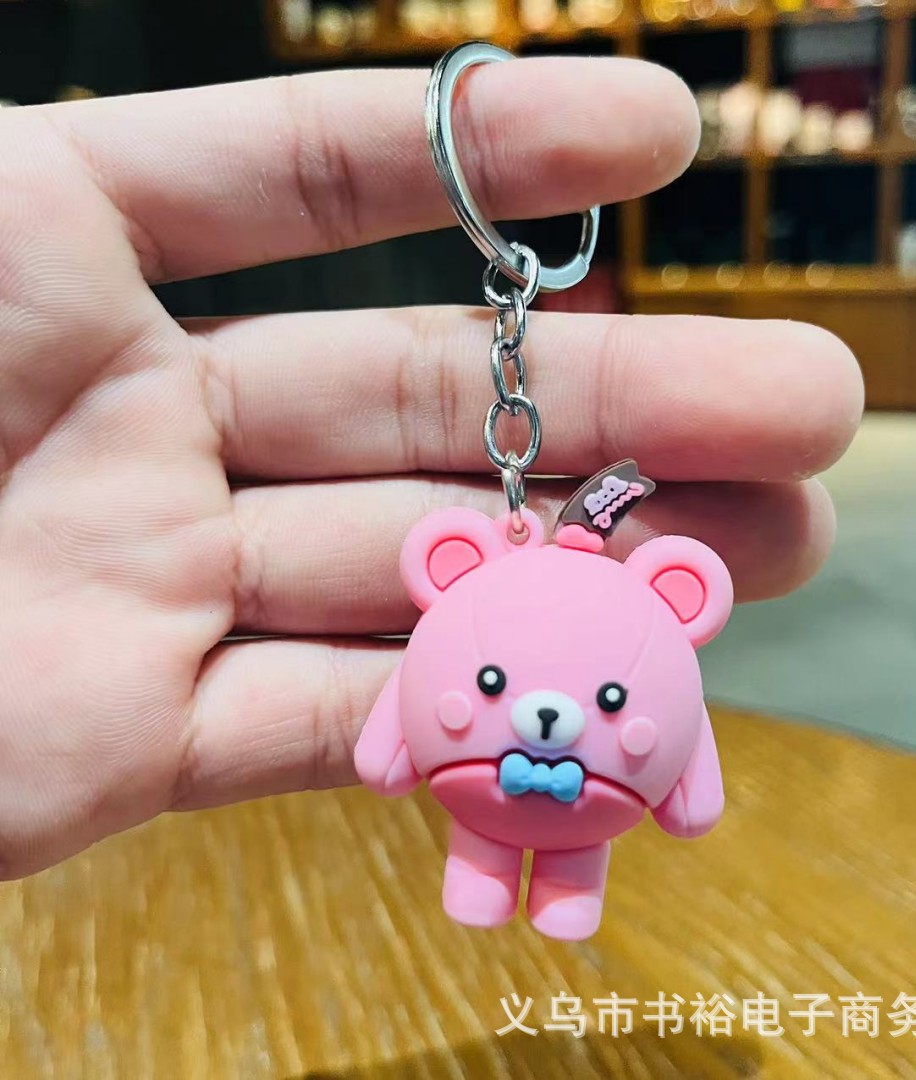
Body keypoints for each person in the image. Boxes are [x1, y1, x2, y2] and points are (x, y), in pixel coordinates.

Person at [0, 56, 862, 881]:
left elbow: (680, 731)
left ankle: (552, 889)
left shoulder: (619, 628)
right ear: (448, 566)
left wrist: (686, 790)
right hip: (486, 792)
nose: (550, 718)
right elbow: (404, 715)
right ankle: (485, 880)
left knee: (565, 865)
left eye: (607, 699)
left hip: (590, 803)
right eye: (491, 680)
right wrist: (390, 749)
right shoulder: (486, 606)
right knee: (482, 862)